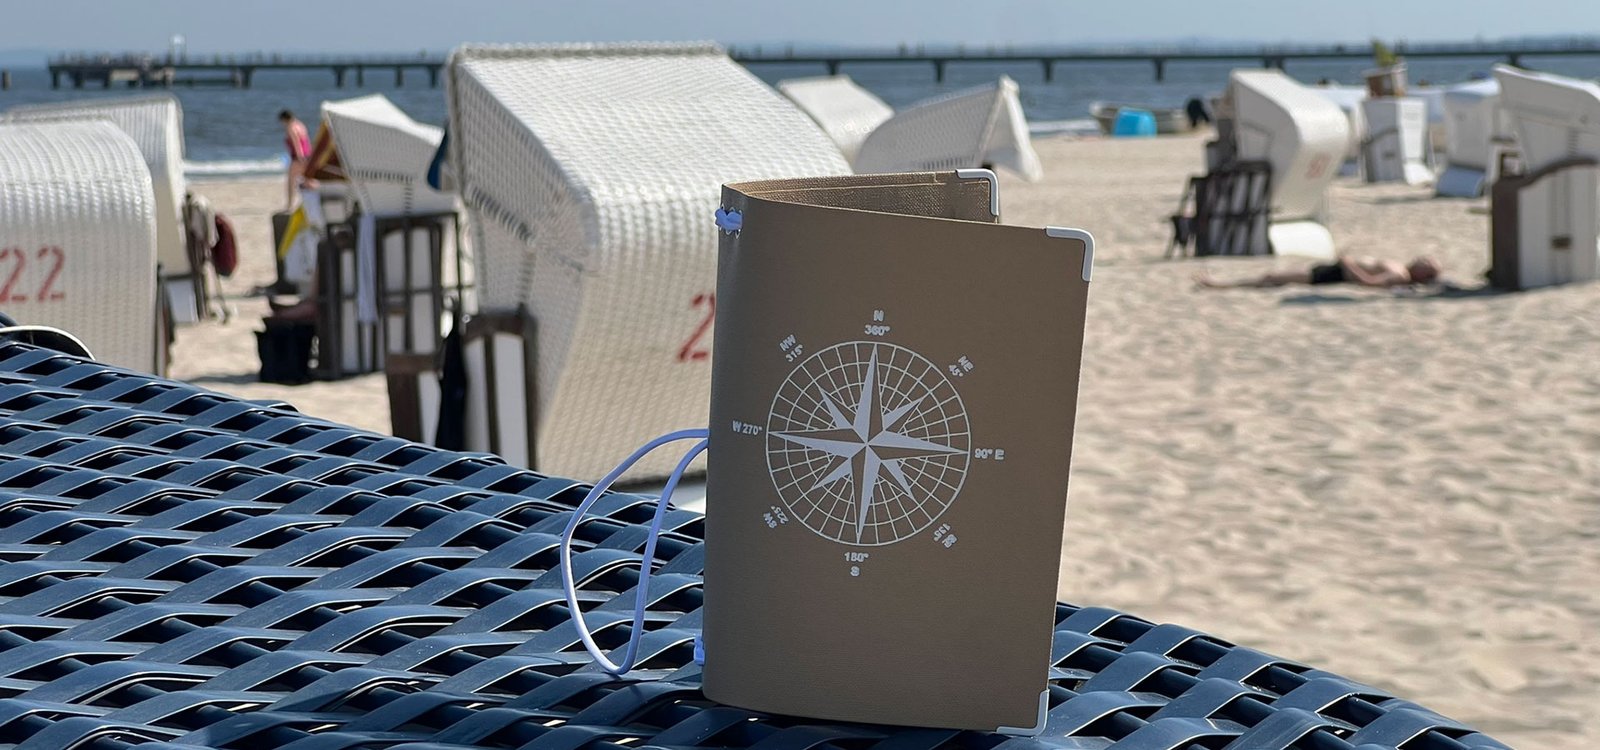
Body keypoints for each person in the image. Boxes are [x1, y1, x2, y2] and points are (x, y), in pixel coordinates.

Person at [1196, 255, 1442, 289]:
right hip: (1336, 269)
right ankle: (1220, 284)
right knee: (1275, 276)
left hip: (1335, 274)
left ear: (1423, 274)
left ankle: (1219, 285)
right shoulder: (1401, 267)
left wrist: (1348, 264)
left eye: (1426, 264)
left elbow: (1370, 283)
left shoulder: (1399, 276)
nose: (1422, 259)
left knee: (1272, 278)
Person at [279, 109, 313, 210]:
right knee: (307, 180)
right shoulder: (300, 125)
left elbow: (296, 143)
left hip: (298, 157)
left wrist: (299, 157)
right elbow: (306, 141)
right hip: (307, 155)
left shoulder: (291, 127)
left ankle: (289, 205)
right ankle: (310, 202)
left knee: (291, 181)